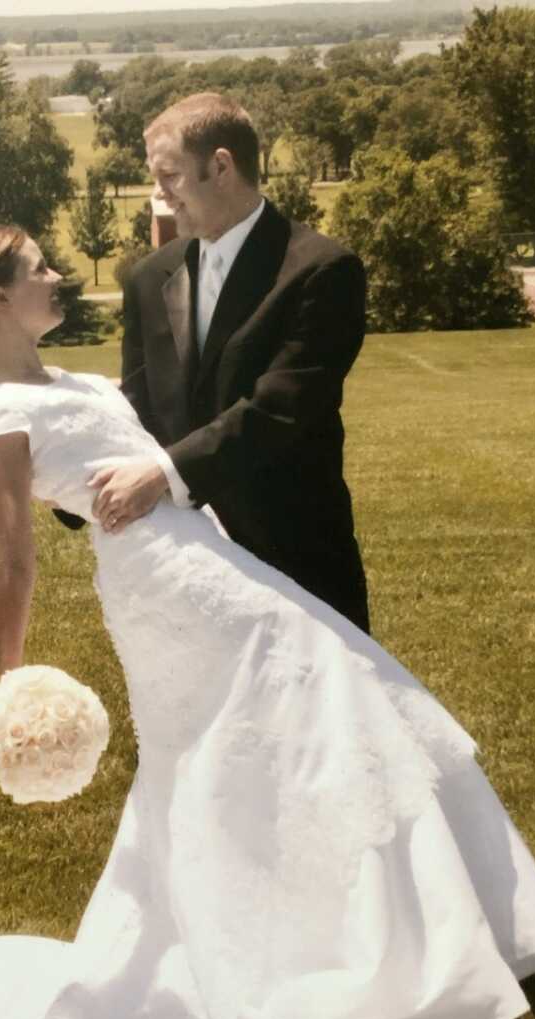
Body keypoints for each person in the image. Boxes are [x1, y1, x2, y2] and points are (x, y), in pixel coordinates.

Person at [0, 225, 535, 1019]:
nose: (59, 276)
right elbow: (14, 560)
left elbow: (164, 451)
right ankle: (363, 954)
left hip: (212, 558)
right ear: (1, 303)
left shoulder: (85, 384)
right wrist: (10, 683)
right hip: (162, 595)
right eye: (39, 270)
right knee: (323, 697)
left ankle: (374, 943)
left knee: (331, 703)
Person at [87, 93, 371, 633]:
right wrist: (74, 461)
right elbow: (140, 406)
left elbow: (280, 409)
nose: (159, 195)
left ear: (220, 166)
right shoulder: (149, 279)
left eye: (169, 176)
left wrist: (160, 475)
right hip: (184, 568)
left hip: (296, 562)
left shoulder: (322, 270)